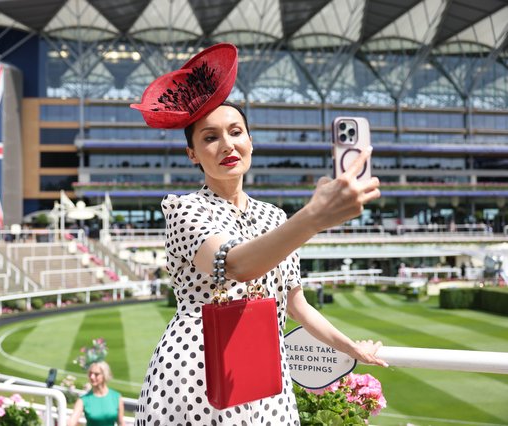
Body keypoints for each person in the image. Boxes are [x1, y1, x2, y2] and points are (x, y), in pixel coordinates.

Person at [130, 43, 387, 425]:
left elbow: (296, 304)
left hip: (265, 372)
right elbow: (236, 264)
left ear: (251, 140)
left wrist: (352, 347)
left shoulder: (274, 216)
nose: (227, 144)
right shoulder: (184, 209)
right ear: (193, 154)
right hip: (196, 373)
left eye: (236, 132)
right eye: (210, 137)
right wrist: (312, 218)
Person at [68, 361, 124, 426]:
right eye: (90, 374)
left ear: (104, 375)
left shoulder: (116, 397)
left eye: (96, 374)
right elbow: (72, 422)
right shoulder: (83, 400)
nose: (92, 377)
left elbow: (121, 423)